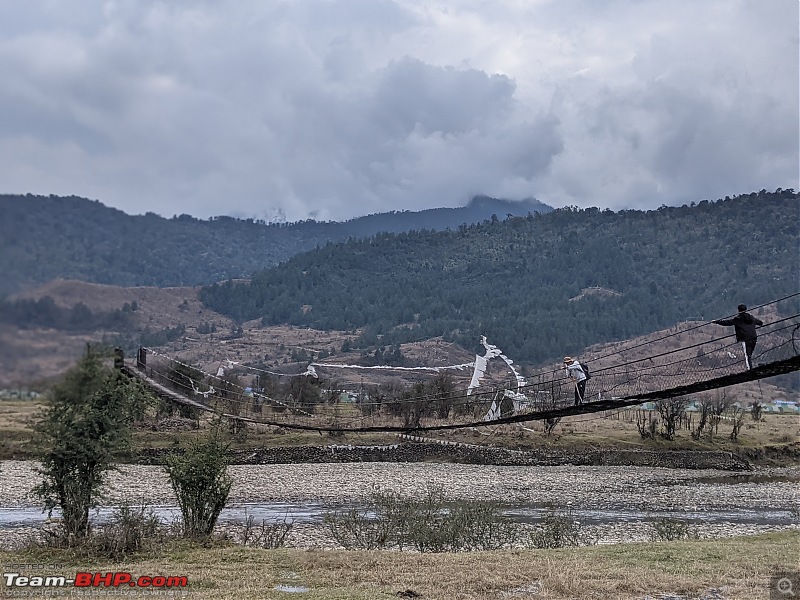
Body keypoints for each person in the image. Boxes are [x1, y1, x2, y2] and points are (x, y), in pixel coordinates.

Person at [713, 304, 763, 370]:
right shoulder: (751, 318)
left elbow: (727, 322)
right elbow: (760, 322)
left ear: (738, 310)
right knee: (750, 354)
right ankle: (751, 366)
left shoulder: (738, 319)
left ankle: (750, 369)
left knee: (747, 355)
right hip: (754, 337)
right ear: (746, 309)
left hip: (745, 338)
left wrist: (717, 322)